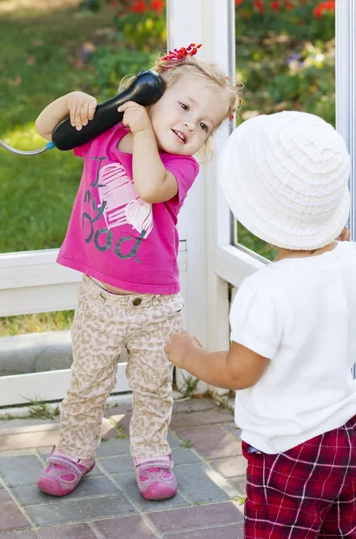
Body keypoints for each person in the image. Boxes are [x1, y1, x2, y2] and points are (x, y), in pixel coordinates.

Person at [34, 44, 240, 500]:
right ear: (150, 92)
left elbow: (148, 187)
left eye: (204, 124)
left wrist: (145, 131)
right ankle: (73, 451)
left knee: (151, 390)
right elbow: (45, 129)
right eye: (184, 106)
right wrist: (71, 101)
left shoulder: (180, 167)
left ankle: (151, 456)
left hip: (156, 307)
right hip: (98, 300)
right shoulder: (104, 139)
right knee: (86, 384)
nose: (190, 123)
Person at [165, 111, 356, 536]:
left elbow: (239, 372)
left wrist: (189, 354)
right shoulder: (350, 260)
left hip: (288, 449)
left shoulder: (266, 289)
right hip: (344, 433)